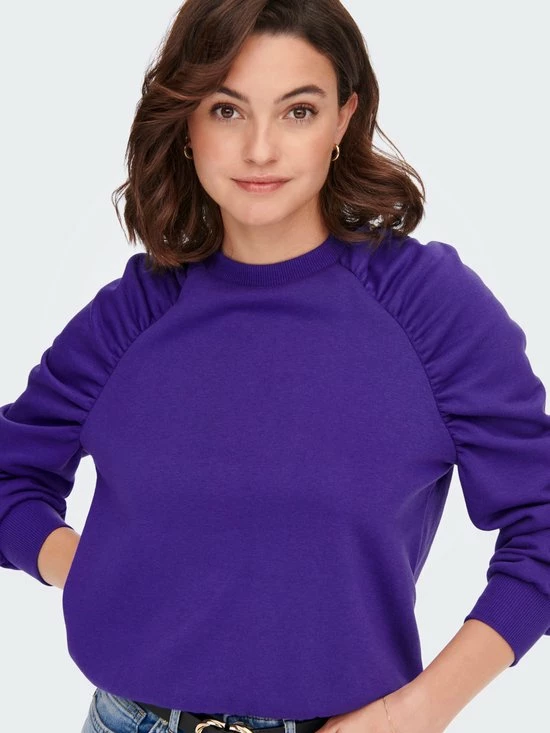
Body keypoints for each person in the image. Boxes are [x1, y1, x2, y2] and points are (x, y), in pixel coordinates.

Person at [1, 1, 549, 732]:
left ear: (344, 119)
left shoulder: (428, 309)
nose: (260, 149)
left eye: (298, 111)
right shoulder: (133, 315)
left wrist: (416, 713)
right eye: (227, 110)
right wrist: (82, 564)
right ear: (187, 125)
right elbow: (10, 474)